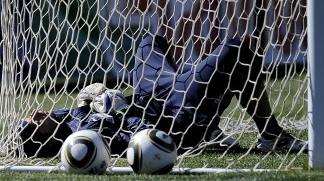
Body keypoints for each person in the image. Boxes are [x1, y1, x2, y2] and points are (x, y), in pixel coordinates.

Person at [14, 34, 307, 158]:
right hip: (174, 119)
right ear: (46, 139)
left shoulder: (62, 119)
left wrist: (97, 98)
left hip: (149, 97)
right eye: (34, 121)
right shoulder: (83, 140)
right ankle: (272, 135)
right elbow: (134, 137)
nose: (38, 113)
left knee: (148, 44)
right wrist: (114, 110)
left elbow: (87, 104)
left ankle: (214, 127)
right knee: (234, 50)